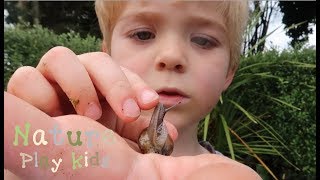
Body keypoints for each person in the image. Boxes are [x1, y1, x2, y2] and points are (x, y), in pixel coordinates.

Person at [4, 1, 262, 179]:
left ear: (230, 72)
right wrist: (28, 165)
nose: (171, 56)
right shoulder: (80, 152)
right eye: (143, 35)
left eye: (203, 40)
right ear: (107, 54)